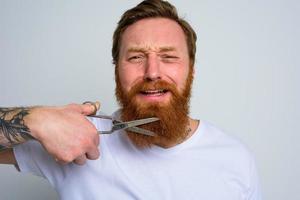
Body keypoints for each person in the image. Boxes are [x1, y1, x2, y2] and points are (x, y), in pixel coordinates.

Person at [0, 0, 261, 199]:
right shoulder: (77, 137)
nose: (152, 72)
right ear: (117, 69)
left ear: (191, 69)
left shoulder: (235, 159)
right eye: (136, 57)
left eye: (169, 57)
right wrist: (37, 120)